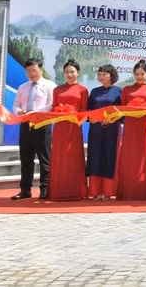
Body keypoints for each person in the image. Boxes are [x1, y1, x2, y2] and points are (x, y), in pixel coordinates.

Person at [11, 58, 55, 200]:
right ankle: (25, 190)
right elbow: (16, 104)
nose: (31, 74)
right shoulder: (22, 87)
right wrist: (18, 111)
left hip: (42, 124)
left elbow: (51, 104)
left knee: (44, 159)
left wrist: (37, 113)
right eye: (28, 71)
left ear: (40, 70)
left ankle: (44, 189)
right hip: (25, 125)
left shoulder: (49, 85)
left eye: (34, 70)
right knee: (26, 159)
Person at [47, 59, 89, 201]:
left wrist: (75, 117)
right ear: (63, 73)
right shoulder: (57, 89)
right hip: (59, 127)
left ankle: (75, 191)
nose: (69, 74)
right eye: (66, 72)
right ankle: (58, 191)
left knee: (73, 157)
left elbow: (84, 111)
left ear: (78, 73)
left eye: (72, 72)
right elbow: (53, 108)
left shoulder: (83, 90)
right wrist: (60, 111)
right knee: (59, 157)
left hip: (74, 128)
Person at [117, 60, 146, 201]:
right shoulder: (126, 89)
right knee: (129, 156)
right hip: (130, 127)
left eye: (142, 74)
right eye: (136, 74)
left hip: (144, 126)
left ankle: (144, 190)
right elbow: (121, 109)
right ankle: (128, 190)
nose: (139, 76)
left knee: (143, 156)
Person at [86, 64, 122, 200]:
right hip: (95, 130)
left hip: (111, 130)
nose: (101, 77)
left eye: (104, 74)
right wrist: (91, 117)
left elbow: (122, 112)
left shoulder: (118, 91)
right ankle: (95, 191)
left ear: (112, 76)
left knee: (109, 157)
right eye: (99, 74)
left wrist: (111, 119)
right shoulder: (94, 91)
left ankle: (108, 191)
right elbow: (88, 110)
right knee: (95, 157)